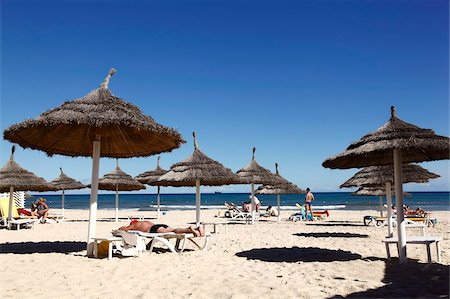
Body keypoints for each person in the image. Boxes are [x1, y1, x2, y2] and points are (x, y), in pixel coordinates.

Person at [118, 220, 205, 237]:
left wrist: (122, 228)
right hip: (159, 225)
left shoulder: (134, 225)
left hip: (153, 229)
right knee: (172, 229)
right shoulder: (145, 221)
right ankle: (196, 229)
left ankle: (189, 230)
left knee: (174, 231)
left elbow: (124, 230)